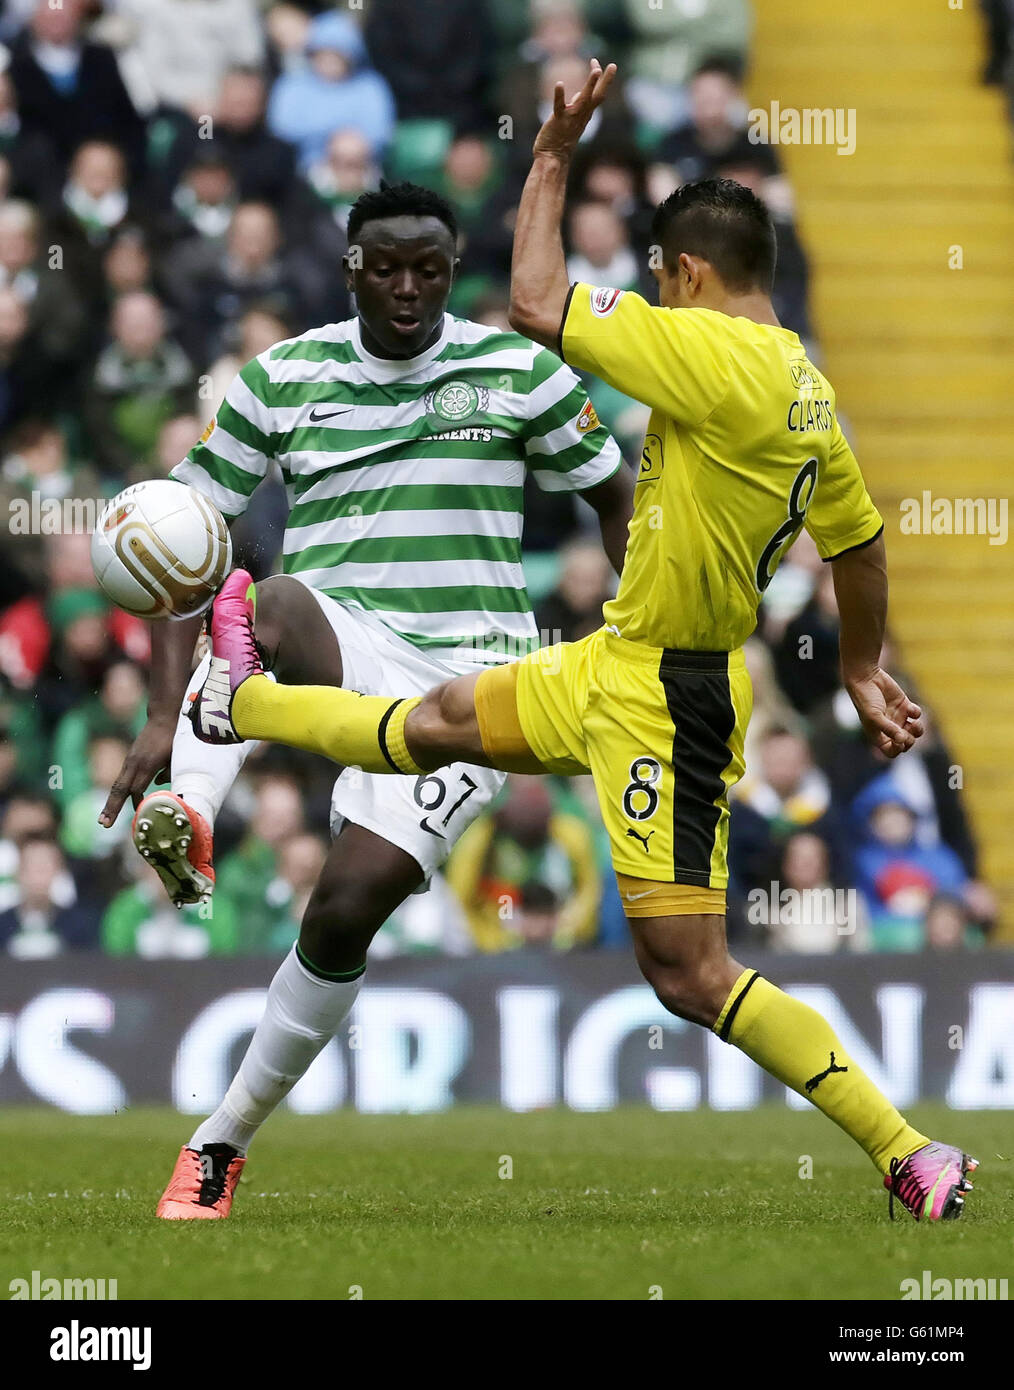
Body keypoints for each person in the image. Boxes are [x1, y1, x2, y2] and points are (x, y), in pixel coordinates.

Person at [198, 63, 978, 1226]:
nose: (656, 294)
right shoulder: (808, 386)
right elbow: (859, 546)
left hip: (672, 698)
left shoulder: (715, 355)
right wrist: (860, 665)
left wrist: (554, 151)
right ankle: (241, 693)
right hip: (616, 658)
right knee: (436, 724)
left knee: (689, 974)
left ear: (689, 274)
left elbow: (536, 299)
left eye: (664, 278)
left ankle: (909, 1149)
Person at [98, 179, 632, 1218]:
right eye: (383, 267)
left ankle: (219, 1141)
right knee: (273, 598)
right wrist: (162, 717)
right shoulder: (280, 377)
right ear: (350, 267)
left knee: (344, 910)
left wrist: (630, 629)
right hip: (339, 628)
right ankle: (195, 813)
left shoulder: (517, 372)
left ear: (453, 267)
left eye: (427, 269)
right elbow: (185, 551)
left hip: (475, 681)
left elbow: (617, 498)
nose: (406, 288)